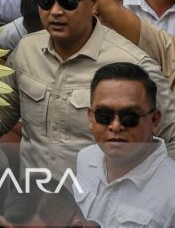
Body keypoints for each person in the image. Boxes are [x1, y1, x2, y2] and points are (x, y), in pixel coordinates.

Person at [0, 0, 175, 176]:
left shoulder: (133, 64)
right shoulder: (26, 50)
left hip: (101, 205)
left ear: (94, 2)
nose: (56, 11)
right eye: (46, 2)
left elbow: (171, 139)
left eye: (68, 1)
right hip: (34, 202)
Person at [74, 62, 175, 224]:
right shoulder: (85, 159)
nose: (115, 126)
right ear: (90, 119)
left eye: (130, 117)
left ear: (155, 120)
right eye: (104, 115)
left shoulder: (171, 194)